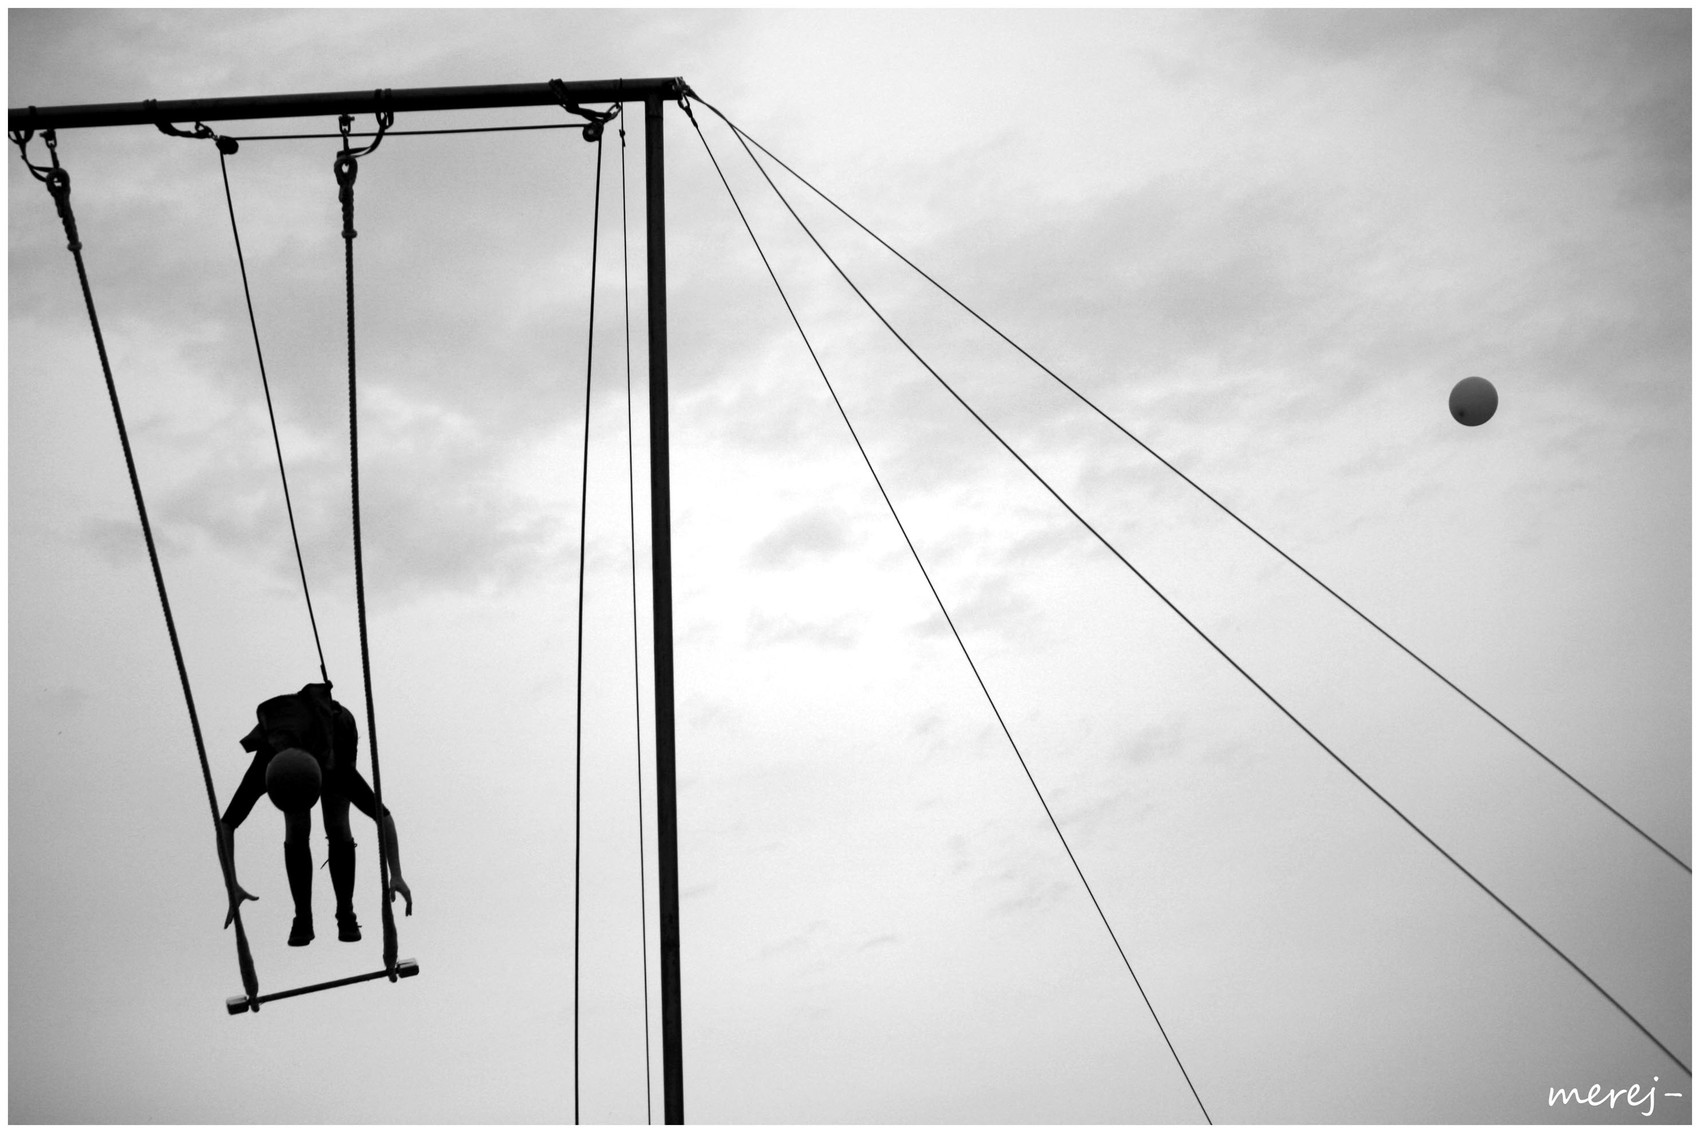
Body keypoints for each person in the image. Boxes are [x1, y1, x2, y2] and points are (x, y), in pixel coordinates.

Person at [215, 682, 412, 946]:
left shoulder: (337, 768)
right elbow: (226, 825)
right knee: (296, 828)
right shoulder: (266, 764)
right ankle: (303, 917)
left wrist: (396, 873)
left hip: (339, 732)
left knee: (337, 822)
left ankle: (346, 913)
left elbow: (383, 816)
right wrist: (231, 884)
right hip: (295, 749)